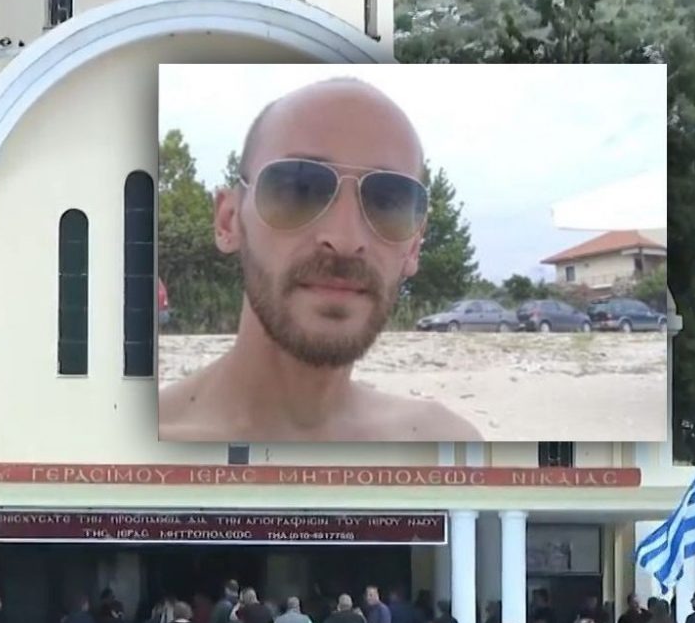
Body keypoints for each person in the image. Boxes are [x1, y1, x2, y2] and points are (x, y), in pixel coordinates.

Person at [157, 77, 484, 444]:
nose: (345, 240)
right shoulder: (128, 457)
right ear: (228, 221)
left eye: (388, 201)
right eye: (300, 189)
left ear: (413, 247)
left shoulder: (444, 449)